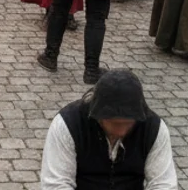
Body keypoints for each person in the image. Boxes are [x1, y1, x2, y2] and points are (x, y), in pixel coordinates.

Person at [40, 70, 178, 190]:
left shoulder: (153, 127)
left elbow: (163, 184)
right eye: (115, 124)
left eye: (128, 123)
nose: (122, 132)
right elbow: (55, 184)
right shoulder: (68, 124)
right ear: (98, 116)